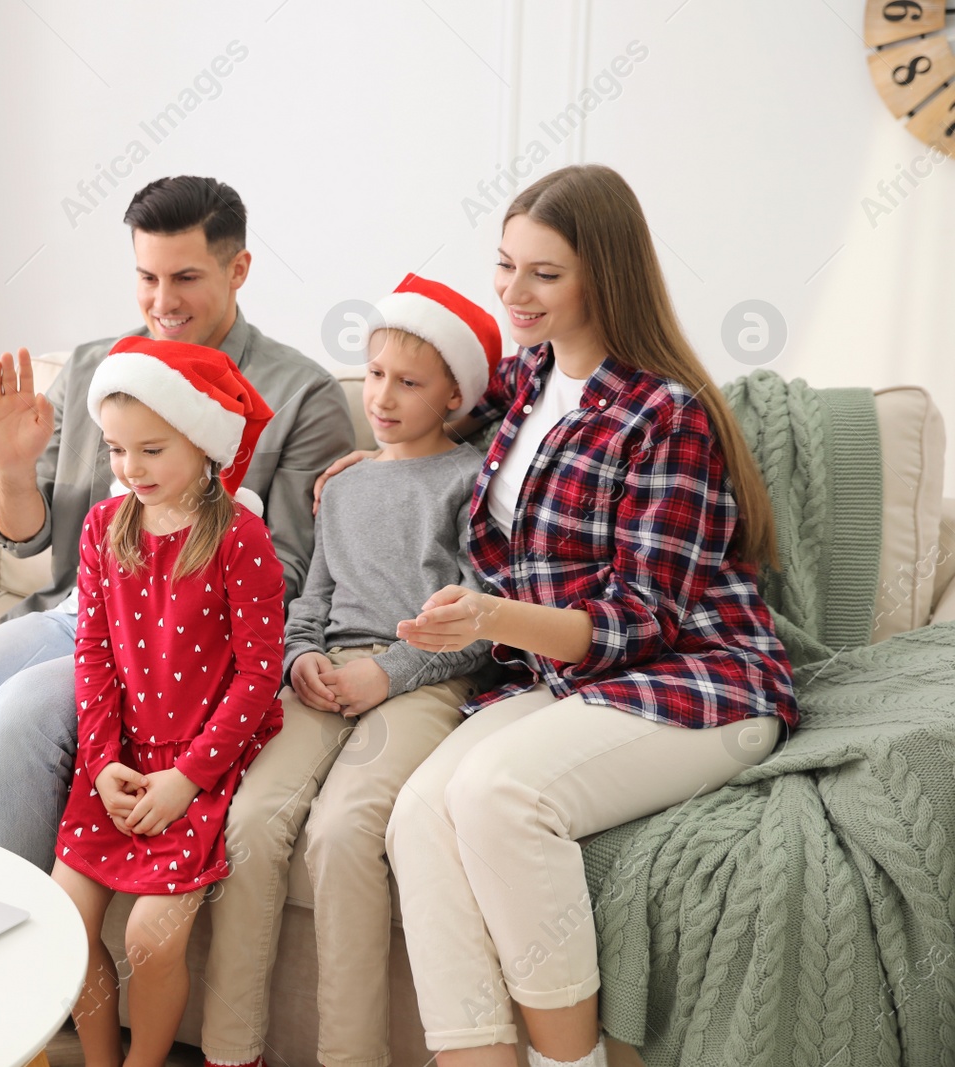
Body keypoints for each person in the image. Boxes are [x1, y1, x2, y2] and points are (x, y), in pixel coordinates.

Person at [319, 164, 798, 1067]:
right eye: (505, 265)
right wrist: (371, 459)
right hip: (566, 677)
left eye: (544, 273)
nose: (513, 292)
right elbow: (427, 405)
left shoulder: (668, 414)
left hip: (698, 680)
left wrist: (491, 615)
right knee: (419, 813)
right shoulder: (524, 380)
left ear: (602, 276)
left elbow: (637, 620)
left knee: (494, 794)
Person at [0, 176, 355, 873]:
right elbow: (26, 536)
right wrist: (13, 471)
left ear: (239, 269)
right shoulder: (93, 371)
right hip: (73, 613)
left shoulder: (300, 394)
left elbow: (287, 573)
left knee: (21, 712)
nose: (162, 302)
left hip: (173, 646)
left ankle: (4, 959)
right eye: (147, 276)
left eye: (186, 277)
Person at [247, 275, 499, 1067]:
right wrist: (302, 657)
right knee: (250, 822)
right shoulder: (345, 483)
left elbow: (482, 627)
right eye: (377, 373)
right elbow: (312, 596)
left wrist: (387, 673)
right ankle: (232, 1047)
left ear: (455, 395)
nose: (382, 396)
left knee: (343, 830)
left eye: (410, 382)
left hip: (421, 679)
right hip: (325, 673)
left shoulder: (472, 482)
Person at [52, 335, 286, 1067]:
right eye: (118, 450)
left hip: (199, 764)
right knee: (63, 922)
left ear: (204, 444)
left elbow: (258, 674)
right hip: (117, 760)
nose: (130, 469)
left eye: (151, 450)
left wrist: (186, 778)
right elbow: (90, 654)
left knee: (150, 938)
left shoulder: (242, 541)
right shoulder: (102, 527)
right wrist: (100, 764)